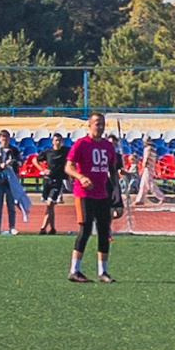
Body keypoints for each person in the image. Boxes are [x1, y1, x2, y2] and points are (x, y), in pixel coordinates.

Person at [65, 115, 124, 283]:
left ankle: (103, 272)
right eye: (97, 124)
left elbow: (112, 170)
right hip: (84, 193)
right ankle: (74, 270)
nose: (100, 127)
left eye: (103, 124)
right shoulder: (81, 144)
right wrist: (81, 177)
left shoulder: (107, 146)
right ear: (90, 126)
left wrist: (116, 195)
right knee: (85, 230)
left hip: (102, 193)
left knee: (104, 231)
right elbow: (68, 167)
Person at [0, 129, 29, 236]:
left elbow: (21, 162)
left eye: (6, 137)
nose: (4, 139)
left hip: (11, 181)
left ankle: (12, 227)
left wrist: (13, 163)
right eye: (2, 137)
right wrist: (0, 166)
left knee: (11, 205)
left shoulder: (14, 151)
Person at [37, 135, 71, 234]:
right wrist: (42, 170)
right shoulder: (48, 152)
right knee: (50, 206)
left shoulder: (66, 151)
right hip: (47, 180)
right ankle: (52, 229)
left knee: (50, 203)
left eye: (59, 140)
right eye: (56, 140)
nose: (57, 142)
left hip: (58, 181)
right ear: (52, 142)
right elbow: (35, 159)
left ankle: (43, 228)